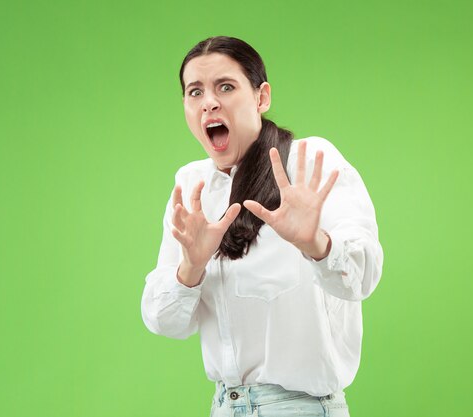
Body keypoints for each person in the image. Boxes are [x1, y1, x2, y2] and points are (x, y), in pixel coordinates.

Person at [141, 36, 383, 417]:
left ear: (261, 97)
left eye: (226, 86)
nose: (209, 102)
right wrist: (191, 268)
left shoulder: (308, 161)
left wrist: (315, 243)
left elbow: (362, 276)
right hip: (224, 406)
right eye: (195, 91)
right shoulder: (191, 187)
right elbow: (164, 321)